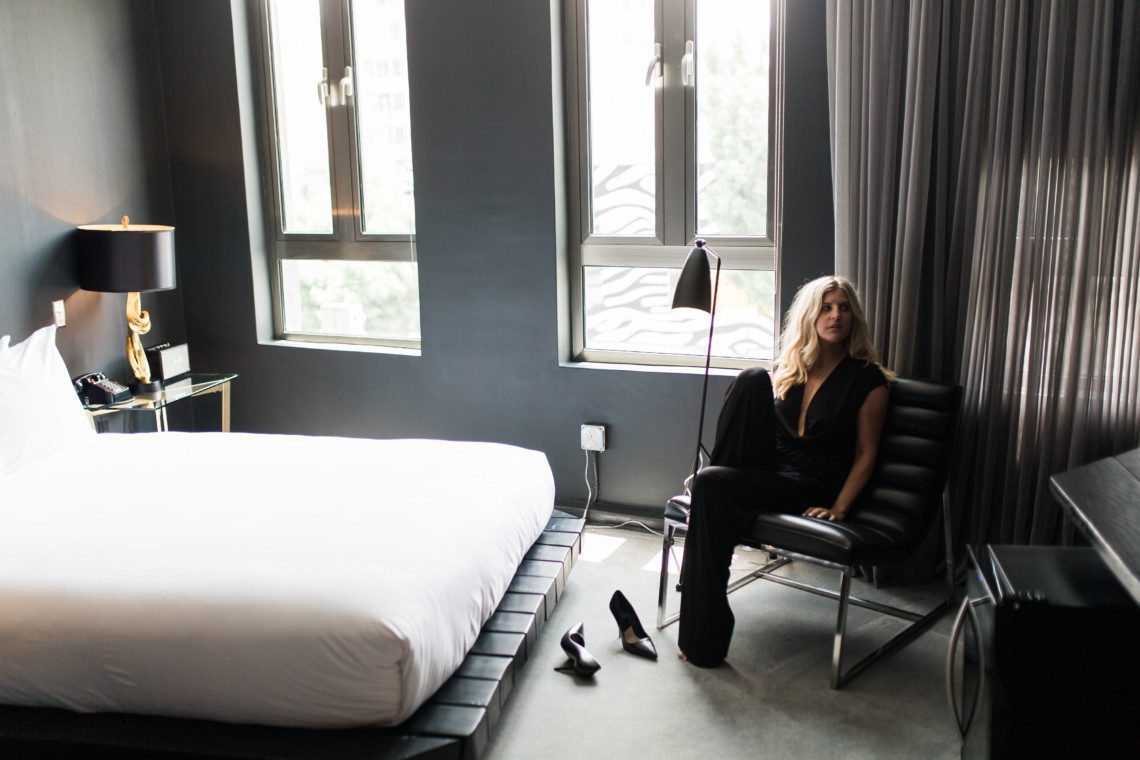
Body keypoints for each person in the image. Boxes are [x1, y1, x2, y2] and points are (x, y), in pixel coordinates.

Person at [677, 275, 895, 667]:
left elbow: (867, 454)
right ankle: (708, 496)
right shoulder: (794, 370)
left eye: (844, 308)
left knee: (710, 487)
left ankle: (703, 640)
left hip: (811, 484)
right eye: (826, 308)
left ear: (854, 318)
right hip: (774, 470)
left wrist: (840, 508)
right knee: (751, 378)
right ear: (810, 316)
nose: (836, 316)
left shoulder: (867, 379)